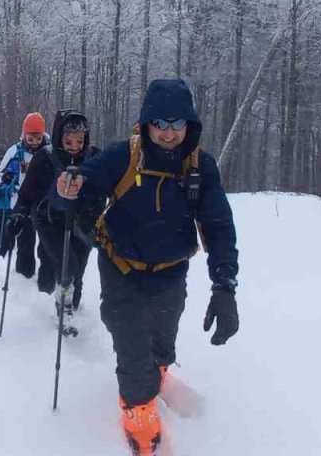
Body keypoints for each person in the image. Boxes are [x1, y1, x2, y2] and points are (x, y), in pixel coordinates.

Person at [53, 79, 239, 456]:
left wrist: (224, 286)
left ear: (189, 125)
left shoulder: (200, 167)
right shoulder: (125, 156)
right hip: (121, 267)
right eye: (160, 123)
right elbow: (88, 180)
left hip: (171, 270)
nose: (169, 133)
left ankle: (161, 371)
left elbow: (218, 225)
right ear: (147, 123)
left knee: (162, 336)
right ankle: (138, 411)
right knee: (131, 341)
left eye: (177, 123)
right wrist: (69, 187)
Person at [10, 109, 102, 328]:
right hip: (48, 219)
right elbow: (28, 190)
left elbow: (106, 186)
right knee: (67, 264)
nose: (74, 146)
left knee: (78, 269)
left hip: (83, 221)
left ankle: (71, 304)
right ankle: (63, 308)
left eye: (79, 141)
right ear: (59, 135)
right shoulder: (45, 156)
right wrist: (19, 213)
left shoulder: (94, 156)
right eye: (68, 141)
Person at [0, 112, 48, 278]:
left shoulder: (50, 150)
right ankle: (24, 276)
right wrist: (5, 178)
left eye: (38, 138)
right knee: (25, 243)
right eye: (30, 139)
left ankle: (47, 279)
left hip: (45, 203)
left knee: (47, 244)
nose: (34, 143)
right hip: (22, 202)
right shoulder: (15, 152)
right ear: (24, 136)